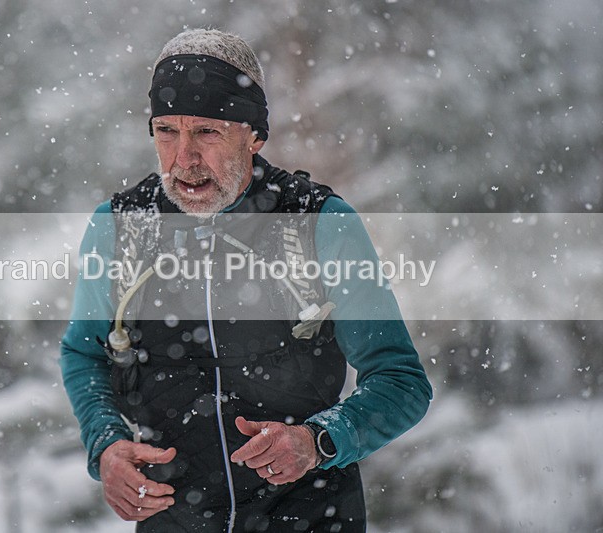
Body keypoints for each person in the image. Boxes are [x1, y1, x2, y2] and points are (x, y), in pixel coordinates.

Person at [60, 29, 432, 533]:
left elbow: (400, 381)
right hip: (174, 520)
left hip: (311, 517)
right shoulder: (123, 228)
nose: (184, 158)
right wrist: (105, 445)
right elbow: (84, 354)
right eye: (167, 130)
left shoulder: (318, 222)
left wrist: (317, 441)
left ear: (254, 135)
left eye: (207, 132)